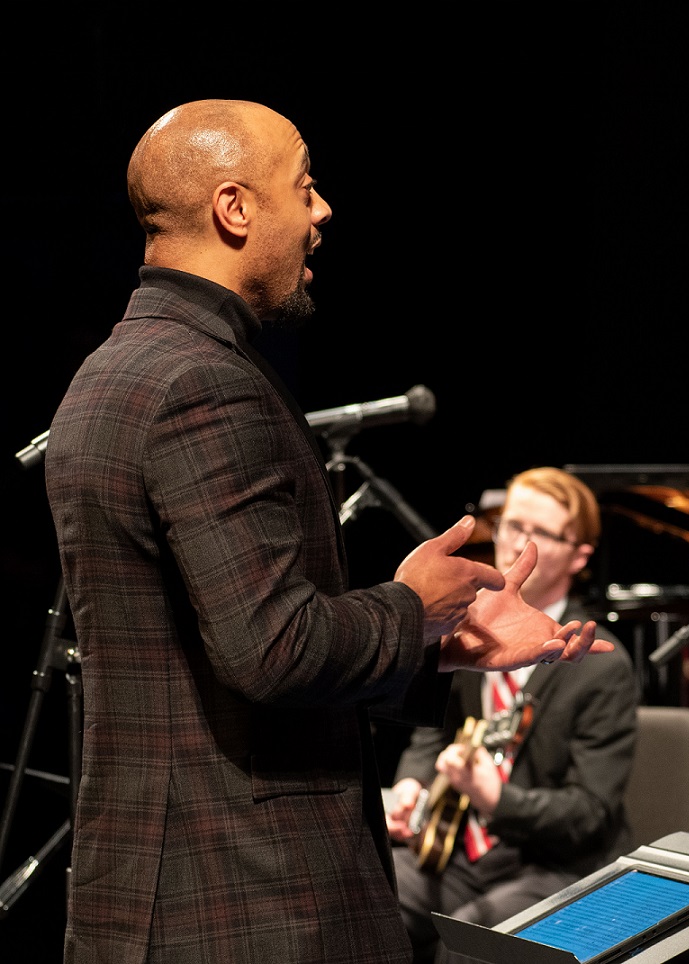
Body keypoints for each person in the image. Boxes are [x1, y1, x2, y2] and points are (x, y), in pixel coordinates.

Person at [42, 100, 610, 964]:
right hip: (245, 898)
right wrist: (409, 607)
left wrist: (431, 645)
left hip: (156, 890)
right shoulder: (204, 382)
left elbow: (204, 648)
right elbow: (272, 650)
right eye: (303, 187)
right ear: (235, 209)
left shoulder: (107, 372)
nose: (322, 211)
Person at [385, 467, 638, 964]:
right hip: (459, 854)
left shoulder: (600, 666)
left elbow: (591, 813)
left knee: (471, 947)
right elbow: (430, 738)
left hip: (556, 866)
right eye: (508, 524)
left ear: (579, 555)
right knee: (361, 900)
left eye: (538, 533)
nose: (516, 543)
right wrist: (410, 786)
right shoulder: (467, 629)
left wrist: (499, 799)